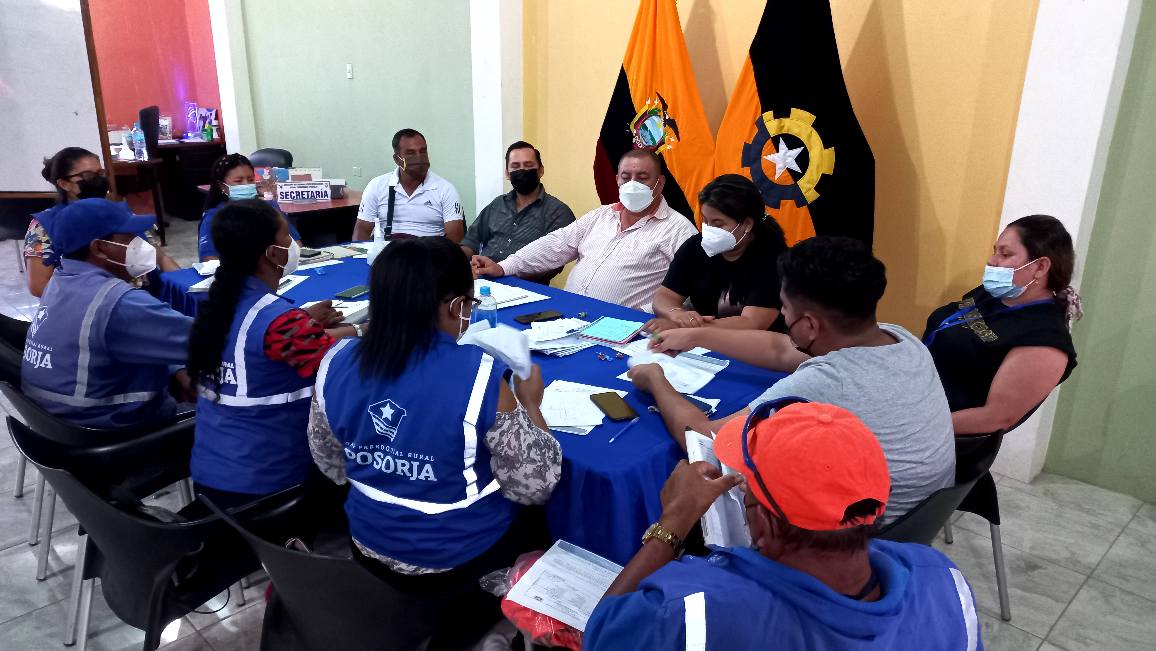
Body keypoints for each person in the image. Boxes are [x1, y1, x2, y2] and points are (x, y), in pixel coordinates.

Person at [308, 237, 562, 647]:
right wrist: (531, 403)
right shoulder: (479, 375)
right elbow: (535, 486)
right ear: (457, 306)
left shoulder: (335, 361)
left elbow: (331, 466)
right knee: (544, 520)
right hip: (457, 558)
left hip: (366, 542)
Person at [585, 401, 982, 650]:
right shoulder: (947, 582)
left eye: (747, 493)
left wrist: (673, 519)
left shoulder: (690, 609)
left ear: (766, 526)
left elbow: (601, 634)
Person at [634, 237, 955, 523]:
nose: (784, 317)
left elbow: (706, 439)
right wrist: (697, 336)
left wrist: (656, 381)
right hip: (923, 515)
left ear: (811, 325)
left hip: (870, 534)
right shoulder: (899, 338)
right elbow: (781, 350)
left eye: (785, 308)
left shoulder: (826, 382)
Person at [186, 200, 350, 507]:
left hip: (213, 473)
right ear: (272, 253)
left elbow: (279, 341)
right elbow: (346, 368)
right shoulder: (279, 322)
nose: (294, 244)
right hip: (269, 486)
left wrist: (316, 324)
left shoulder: (221, 305)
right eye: (287, 236)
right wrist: (371, 332)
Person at [21, 199, 194, 429]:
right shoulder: (116, 302)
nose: (141, 245)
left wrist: (176, 367)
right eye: (129, 238)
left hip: (59, 423)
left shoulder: (60, 281)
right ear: (99, 248)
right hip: (112, 429)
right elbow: (211, 341)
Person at [472, 149, 698, 311]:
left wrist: (650, 313)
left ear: (660, 182)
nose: (632, 184)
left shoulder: (679, 230)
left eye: (642, 178)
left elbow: (693, 291)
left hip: (626, 328)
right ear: (617, 180)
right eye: (626, 177)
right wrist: (503, 267)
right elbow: (556, 244)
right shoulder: (600, 216)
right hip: (569, 315)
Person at [924, 215, 1079, 436]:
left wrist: (915, 426)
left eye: (1005, 254)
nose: (992, 261)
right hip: (914, 402)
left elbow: (996, 417)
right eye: (995, 251)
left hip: (939, 436)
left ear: (1040, 266)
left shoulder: (1045, 340)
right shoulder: (990, 295)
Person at [26, 147, 179, 297]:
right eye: (87, 176)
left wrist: (184, 285)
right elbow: (39, 287)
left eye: (100, 173)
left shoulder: (117, 212)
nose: (97, 180)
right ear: (64, 184)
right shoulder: (44, 226)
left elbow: (160, 257)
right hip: (101, 303)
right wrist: (110, 297)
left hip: (148, 297)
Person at [646, 174, 788, 333]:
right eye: (705, 221)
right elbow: (665, 296)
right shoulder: (696, 246)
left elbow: (752, 323)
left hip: (754, 344)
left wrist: (685, 326)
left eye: (718, 224)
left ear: (747, 224)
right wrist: (676, 314)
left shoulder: (774, 259)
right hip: (699, 338)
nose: (708, 229)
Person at [460, 141, 576, 283]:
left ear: (541, 170)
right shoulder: (497, 204)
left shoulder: (559, 213)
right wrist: (454, 259)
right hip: (482, 280)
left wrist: (503, 270)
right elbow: (471, 241)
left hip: (525, 287)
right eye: (515, 166)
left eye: (528, 165)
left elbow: (553, 264)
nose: (522, 170)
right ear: (507, 174)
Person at [352, 129, 466, 243]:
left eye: (423, 151)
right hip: (387, 251)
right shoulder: (377, 186)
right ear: (397, 159)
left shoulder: (445, 189)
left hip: (428, 251)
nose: (419, 157)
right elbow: (362, 231)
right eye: (411, 153)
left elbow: (455, 238)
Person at [198, 153, 302, 261]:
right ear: (222, 186)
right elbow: (209, 259)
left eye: (251, 179)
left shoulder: (269, 207)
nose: (246, 184)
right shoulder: (214, 217)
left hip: (275, 266)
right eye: (238, 181)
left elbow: (296, 245)